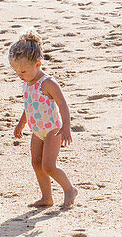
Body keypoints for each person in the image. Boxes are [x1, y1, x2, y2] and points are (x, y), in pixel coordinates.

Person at [8, 30, 78, 208]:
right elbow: (29, 105)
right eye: (15, 71)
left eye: (22, 71)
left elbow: (62, 104)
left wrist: (66, 128)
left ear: (38, 64)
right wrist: (21, 123)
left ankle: (69, 189)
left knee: (48, 166)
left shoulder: (47, 83)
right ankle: (47, 197)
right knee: (36, 163)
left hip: (52, 130)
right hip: (36, 130)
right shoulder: (27, 82)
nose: (19, 75)